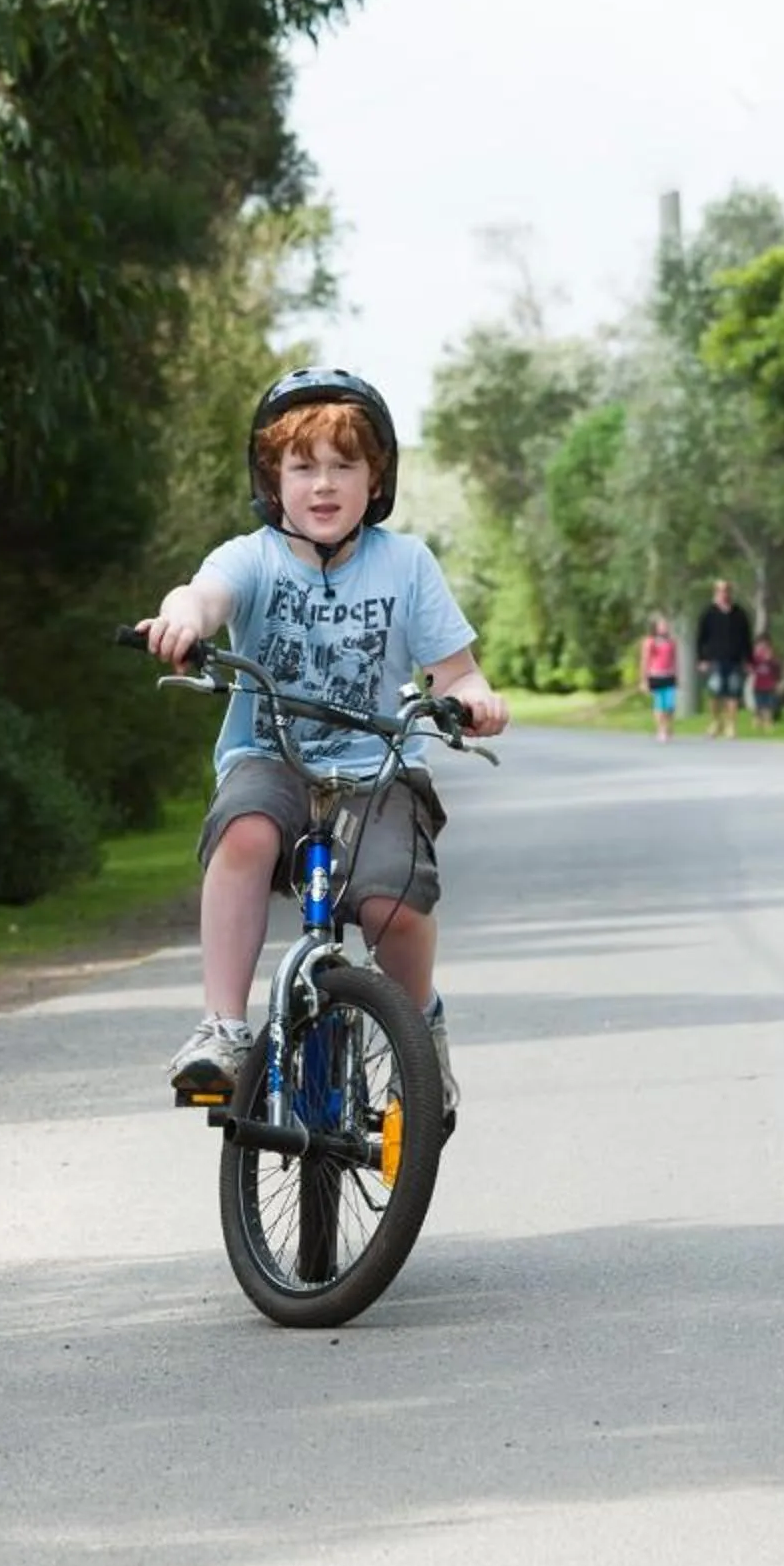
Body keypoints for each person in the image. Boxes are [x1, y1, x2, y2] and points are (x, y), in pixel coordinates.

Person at [139, 367, 507, 1128]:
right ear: (272, 481)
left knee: (390, 903)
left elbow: (458, 672)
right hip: (270, 758)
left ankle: (419, 1035)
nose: (325, 484)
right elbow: (201, 595)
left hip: (379, 768)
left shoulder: (407, 564)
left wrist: (472, 701)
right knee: (244, 831)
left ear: (378, 480)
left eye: (345, 465)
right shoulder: (255, 557)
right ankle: (224, 1029)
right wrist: (182, 620)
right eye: (303, 466)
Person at [693, 578, 756, 740]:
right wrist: (701, 659)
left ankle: (731, 725)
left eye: (726, 590)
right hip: (714, 659)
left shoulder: (739, 613)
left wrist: (749, 660)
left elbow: (746, 638)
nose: (724, 594)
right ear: (716, 593)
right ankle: (715, 721)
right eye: (720, 591)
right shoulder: (708, 613)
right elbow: (700, 638)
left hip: (735, 659)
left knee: (733, 693)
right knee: (715, 692)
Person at [640, 614, 681, 743]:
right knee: (659, 704)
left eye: (666, 625)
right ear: (656, 627)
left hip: (669, 675)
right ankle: (661, 729)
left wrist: (677, 675)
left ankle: (668, 727)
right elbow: (645, 660)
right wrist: (644, 679)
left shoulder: (671, 642)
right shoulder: (650, 642)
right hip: (655, 675)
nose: (665, 628)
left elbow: (675, 659)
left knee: (670, 705)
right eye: (662, 625)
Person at [746, 635, 783, 729]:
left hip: (769, 685)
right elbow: (749, 667)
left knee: (769, 706)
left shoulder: (772, 657)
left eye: (765, 645)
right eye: (760, 645)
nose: (762, 647)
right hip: (757, 685)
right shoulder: (754, 657)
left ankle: (768, 723)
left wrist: (771, 659)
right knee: (758, 706)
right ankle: (757, 723)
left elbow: (777, 670)